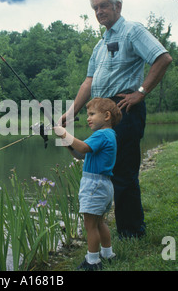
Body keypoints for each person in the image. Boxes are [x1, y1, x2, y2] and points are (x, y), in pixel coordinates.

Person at [59, 0, 173, 239]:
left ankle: (131, 232)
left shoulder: (133, 30)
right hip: (100, 112)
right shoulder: (100, 45)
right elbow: (88, 81)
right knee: (104, 170)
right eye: (95, 8)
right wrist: (71, 112)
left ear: (117, 6)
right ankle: (114, 229)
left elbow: (163, 58)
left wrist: (141, 92)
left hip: (124, 109)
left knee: (124, 171)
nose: (99, 12)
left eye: (104, 6)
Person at [55, 97, 122, 271]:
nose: (88, 118)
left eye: (92, 114)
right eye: (87, 114)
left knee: (90, 225)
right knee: (100, 222)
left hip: (94, 185)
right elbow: (80, 154)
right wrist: (66, 143)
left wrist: (63, 132)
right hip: (104, 185)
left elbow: (83, 148)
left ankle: (93, 262)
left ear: (106, 116)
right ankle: (108, 254)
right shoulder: (110, 135)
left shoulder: (101, 134)